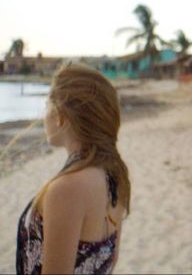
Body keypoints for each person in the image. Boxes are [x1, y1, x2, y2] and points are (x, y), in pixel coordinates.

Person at [16, 62, 131, 274]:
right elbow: (110, 260)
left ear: (60, 116)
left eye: (47, 105)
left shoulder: (67, 189)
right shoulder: (115, 174)